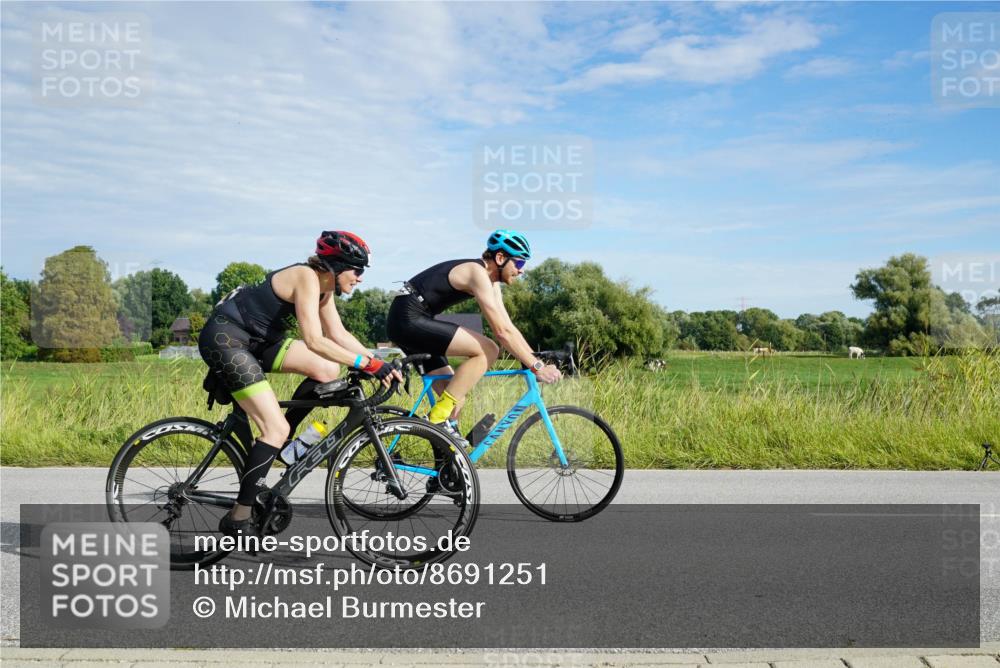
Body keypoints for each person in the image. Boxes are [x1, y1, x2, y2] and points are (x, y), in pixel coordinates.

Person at [199, 231, 402, 536]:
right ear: (337, 265)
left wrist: (379, 362)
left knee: (327, 368)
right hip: (228, 339)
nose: (360, 279)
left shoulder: (324, 289)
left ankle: (284, 438)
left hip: (258, 340)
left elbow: (339, 335)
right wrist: (366, 364)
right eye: (357, 271)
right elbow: (315, 339)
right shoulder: (307, 277)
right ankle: (238, 519)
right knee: (274, 428)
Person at [386, 229, 562, 441]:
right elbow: (501, 333)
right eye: (520, 263)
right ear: (500, 258)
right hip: (408, 319)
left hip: (411, 320)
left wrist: (533, 359)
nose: (521, 271)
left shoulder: (491, 282)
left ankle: (446, 467)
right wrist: (538, 368)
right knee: (489, 349)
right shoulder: (477, 273)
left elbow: (508, 326)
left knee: (454, 397)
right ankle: (436, 420)